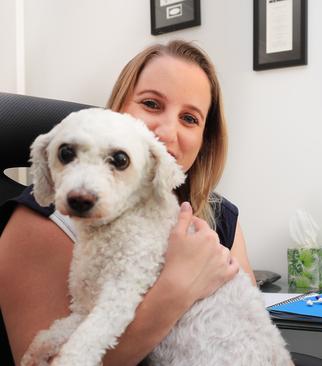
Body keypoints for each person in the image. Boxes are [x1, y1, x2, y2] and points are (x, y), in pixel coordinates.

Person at [0, 40, 255, 365]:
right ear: (117, 110)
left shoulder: (219, 218)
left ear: (205, 140)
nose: (166, 130)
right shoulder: (45, 220)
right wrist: (177, 288)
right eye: (151, 104)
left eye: (190, 119)